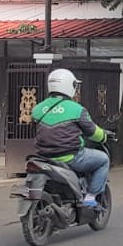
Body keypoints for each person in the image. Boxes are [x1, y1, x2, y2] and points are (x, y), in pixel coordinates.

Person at [31, 68, 112, 208]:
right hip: (70, 157)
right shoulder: (76, 109)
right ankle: (90, 198)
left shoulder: (37, 109)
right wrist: (104, 136)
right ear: (69, 86)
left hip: (43, 158)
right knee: (103, 160)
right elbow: (93, 133)